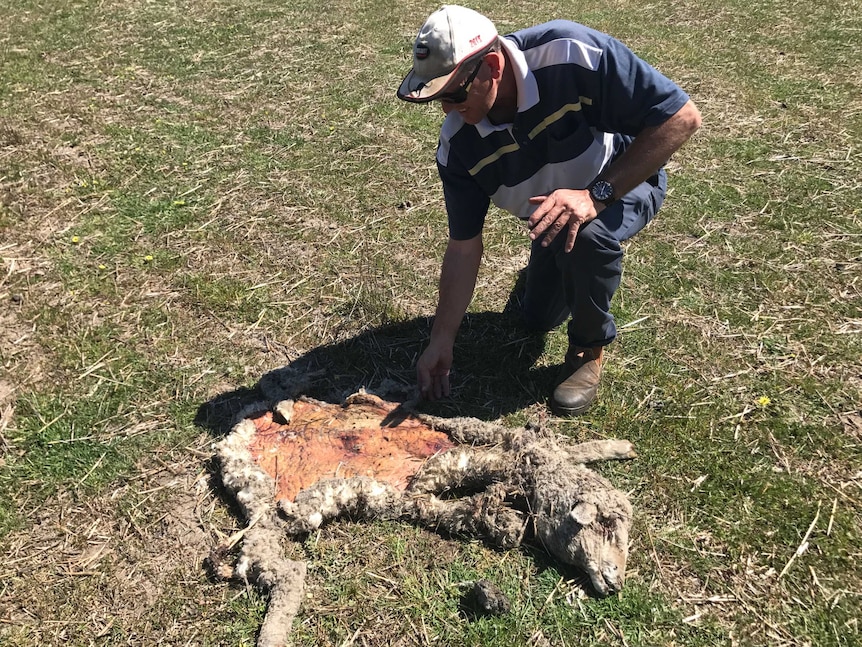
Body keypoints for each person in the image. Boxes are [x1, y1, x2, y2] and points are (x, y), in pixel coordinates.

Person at [397, 5, 701, 416]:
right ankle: (558, 256)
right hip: (552, 219)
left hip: (622, 181)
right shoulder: (459, 149)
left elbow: (681, 118)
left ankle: (587, 348)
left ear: (491, 65)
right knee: (536, 320)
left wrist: (595, 196)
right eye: (437, 98)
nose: (448, 110)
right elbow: (463, 248)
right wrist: (441, 339)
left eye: (453, 94)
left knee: (588, 234)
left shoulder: (571, 52)